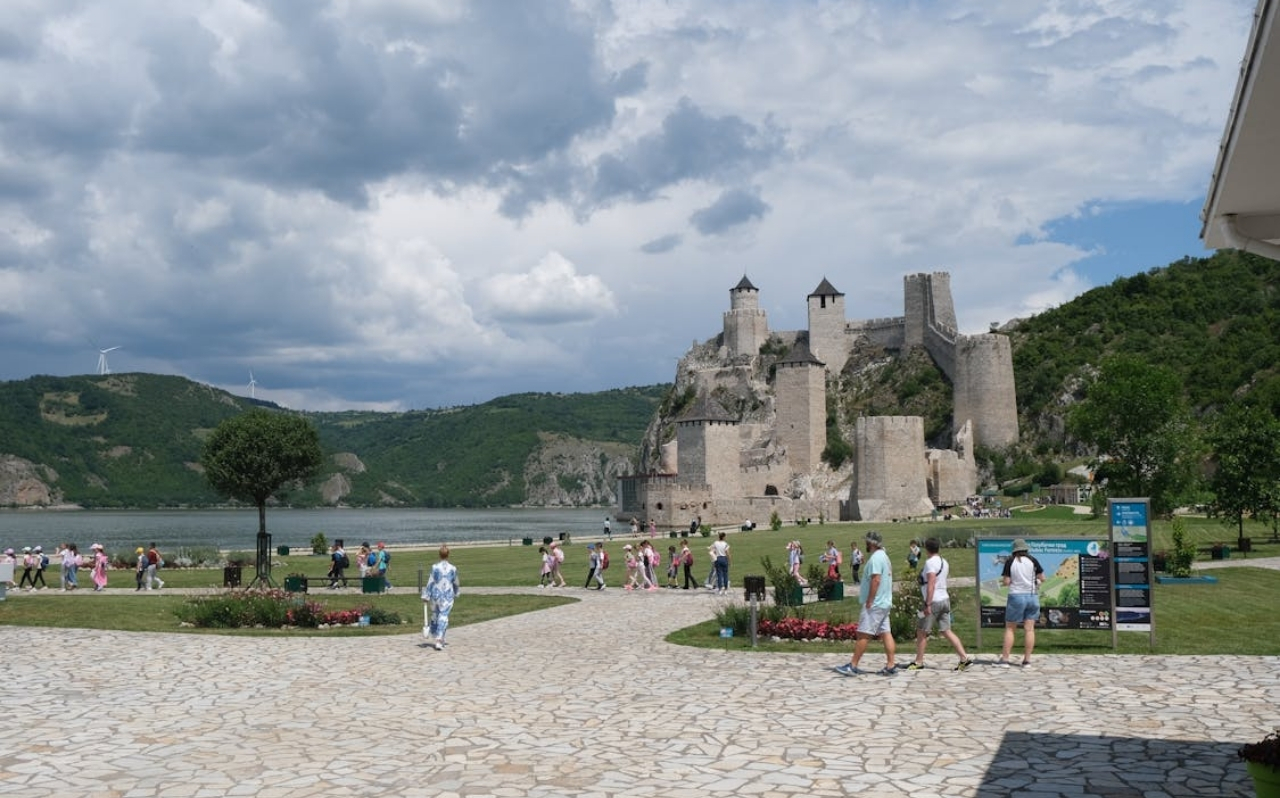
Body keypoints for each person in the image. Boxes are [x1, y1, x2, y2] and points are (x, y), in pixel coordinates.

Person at [904, 538, 974, 671]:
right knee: (946, 631)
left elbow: (931, 583)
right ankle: (964, 658)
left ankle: (919, 661)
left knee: (922, 631)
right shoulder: (944, 562)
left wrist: (928, 604)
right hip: (944, 599)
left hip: (934, 600)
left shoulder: (930, 563)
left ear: (927, 549)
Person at [835, 531, 896, 676]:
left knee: (863, 634)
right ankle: (891, 664)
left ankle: (853, 665)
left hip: (875, 603)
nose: (865, 544)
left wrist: (870, 599)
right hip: (885, 602)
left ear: (872, 543)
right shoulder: (885, 557)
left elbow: (876, 580)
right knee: (886, 633)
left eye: (867, 542)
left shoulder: (876, 558)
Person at [998, 538, 1045, 668]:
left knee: (1010, 628)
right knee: (1029, 629)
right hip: (1032, 596)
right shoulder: (1033, 560)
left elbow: (1006, 582)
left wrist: (1006, 583)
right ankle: (1027, 661)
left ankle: (1005, 660)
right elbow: (1042, 578)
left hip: (1016, 596)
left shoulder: (1010, 561)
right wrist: (1036, 583)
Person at [422, 545, 460, 651]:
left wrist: (426, 595)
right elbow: (456, 582)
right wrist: (456, 592)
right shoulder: (453, 568)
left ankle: (441, 637)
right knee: (443, 616)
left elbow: (431, 581)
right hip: (447, 596)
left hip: (436, 595)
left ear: (439, 555)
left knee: (438, 615)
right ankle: (439, 639)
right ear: (448, 555)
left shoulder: (435, 567)